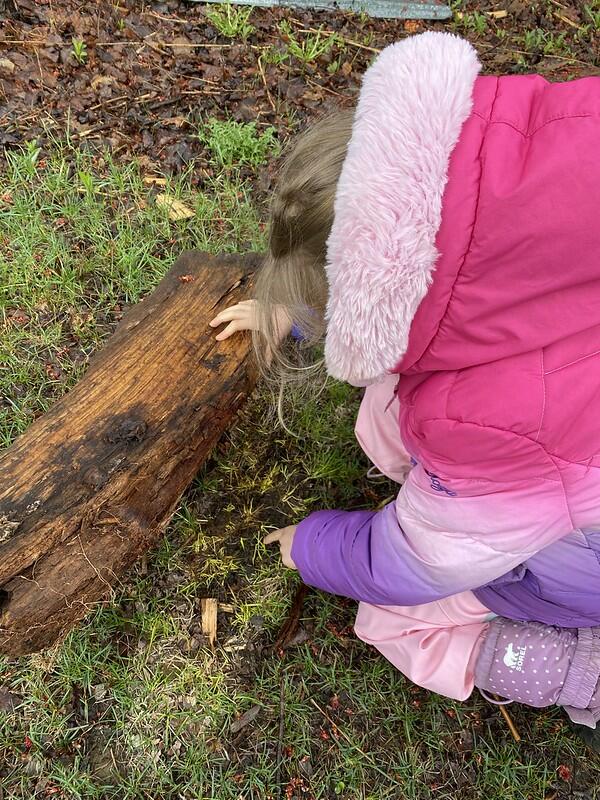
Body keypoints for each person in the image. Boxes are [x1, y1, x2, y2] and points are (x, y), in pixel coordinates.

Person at [209, 32, 600, 745]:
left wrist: (312, 545)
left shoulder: (487, 421)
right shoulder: (565, 156)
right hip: (568, 463)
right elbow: (468, 285)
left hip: (579, 552)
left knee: (395, 618)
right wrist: (298, 314)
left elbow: (415, 564)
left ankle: (577, 670)